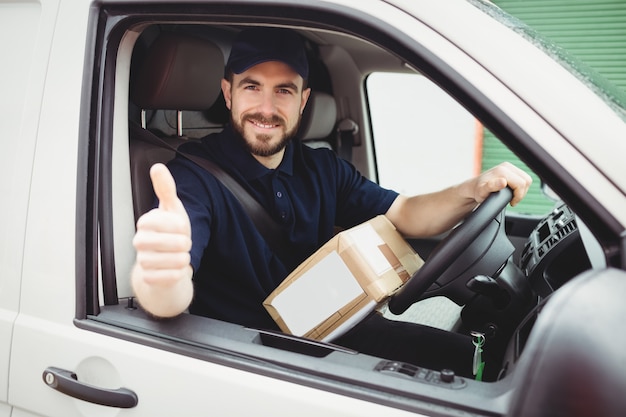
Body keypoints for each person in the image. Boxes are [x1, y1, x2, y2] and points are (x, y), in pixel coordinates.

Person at [131, 27, 532, 378]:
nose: (266, 109)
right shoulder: (192, 177)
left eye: (283, 90)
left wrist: (473, 189)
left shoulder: (322, 167)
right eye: (251, 86)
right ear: (227, 93)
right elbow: (169, 291)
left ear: (303, 100)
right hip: (256, 356)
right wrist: (162, 277)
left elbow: (406, 213)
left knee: (467, 357)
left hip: (333, 327)